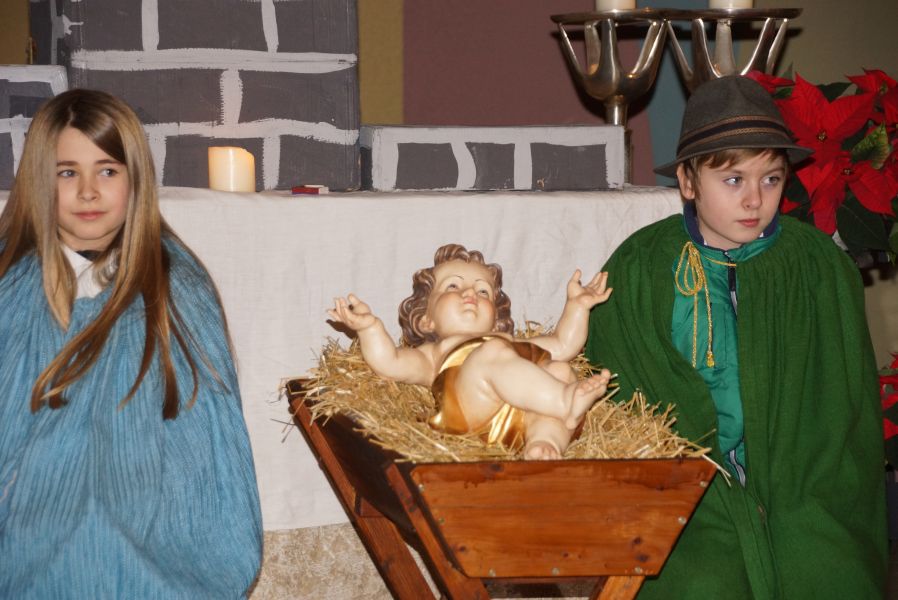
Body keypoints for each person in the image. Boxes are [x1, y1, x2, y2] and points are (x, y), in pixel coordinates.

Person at [584, 75, 887, 598]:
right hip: (688, 493)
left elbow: (846, 405)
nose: (754, 200)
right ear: (688, 181)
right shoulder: (640, 267)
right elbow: (615, 391)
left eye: (771, 179)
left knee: (828, 574)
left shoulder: (819, 267)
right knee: (700, 584)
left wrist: (806, 484)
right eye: (732, 180)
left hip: (801, 486)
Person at [0, 89, 262, 597]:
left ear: (136, 178)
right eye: (67, 172)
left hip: (152, 524)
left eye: (107, 171)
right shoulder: (11, 284)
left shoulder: (177, 287)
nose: (88, 192)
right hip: (29, 526)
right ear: (38, 179)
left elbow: (207, 439)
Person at [328, 243, 613, 459]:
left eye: (483, 291)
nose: (470, 294)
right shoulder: (433, 353)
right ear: (426, 319)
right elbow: (389, 362)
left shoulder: (507, 342)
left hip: (524, 412)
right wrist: (369, 328)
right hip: (472, 414)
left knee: (559, 369)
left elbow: (563, 345)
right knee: (491, 353)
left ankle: (544, 444)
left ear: (496, 315)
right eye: (453, 286)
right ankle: (564, 401)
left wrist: (578, 307)